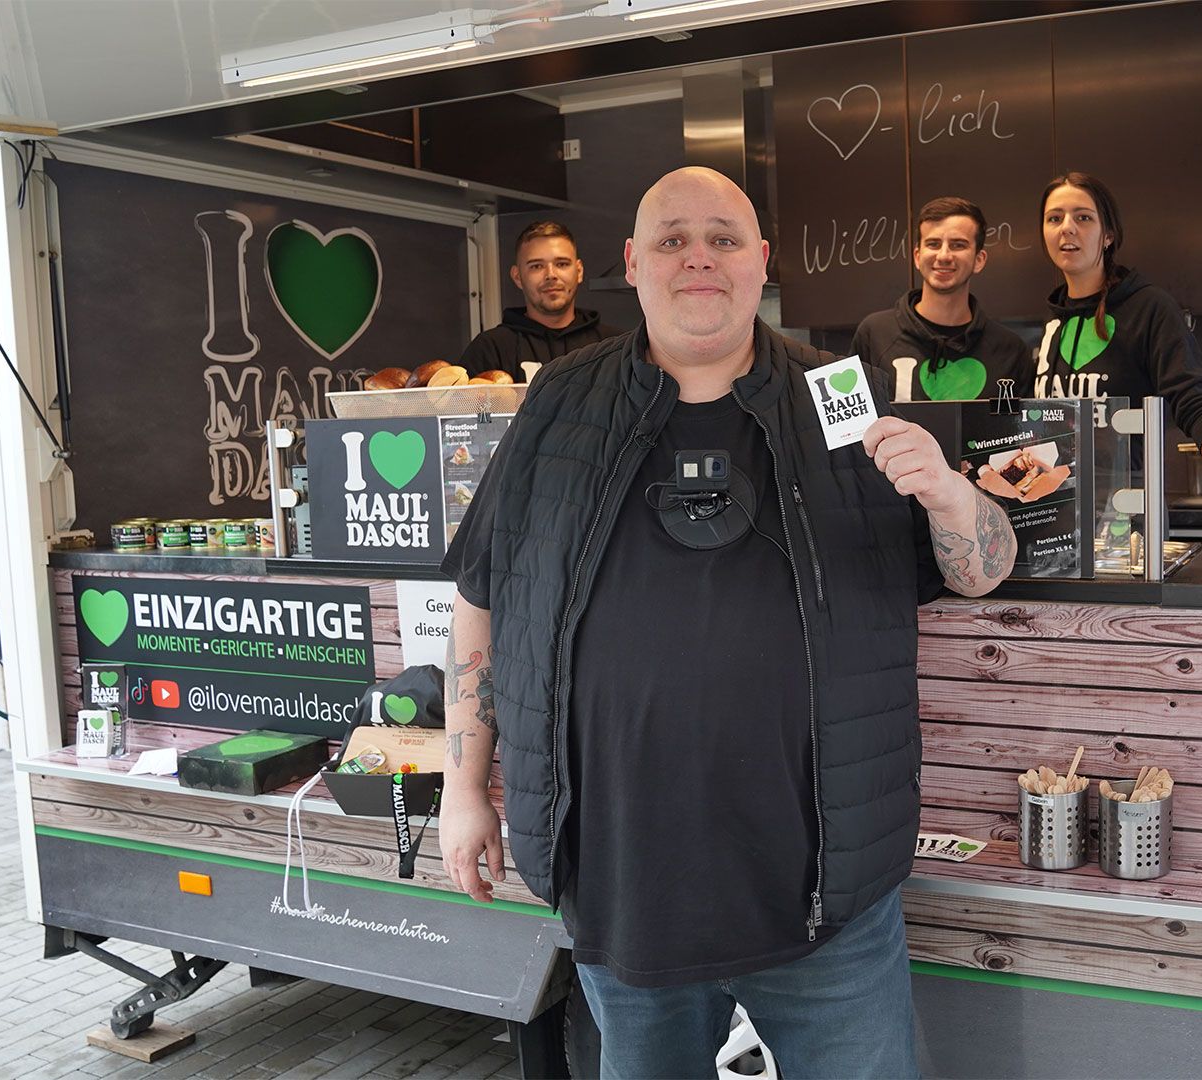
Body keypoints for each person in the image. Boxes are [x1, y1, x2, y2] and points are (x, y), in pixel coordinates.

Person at [437, 166, 1015, 1079]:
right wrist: (463, 788)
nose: (698, 259)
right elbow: (480, 595)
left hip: (825, 893)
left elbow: (978, 571)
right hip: (624, 886)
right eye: (672, 240)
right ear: (631, 263)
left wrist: (949, 496)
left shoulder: (840, 395)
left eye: (723, 239)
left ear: (761, 263)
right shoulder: (558, 404)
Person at [1034, 171, 1202, 548]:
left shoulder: (1148, 308)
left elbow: (1194, 398)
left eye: (1083, 217)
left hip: (1127, 515)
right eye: (1054, 218)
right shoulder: (1053, 322)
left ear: (1108, 235)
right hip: (1057, 513)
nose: (1067, 228)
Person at [849, 196, 1035, 401]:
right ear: (918, 257)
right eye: (933, 244)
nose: (944, 255)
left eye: (958, 245)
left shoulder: (1010, 350)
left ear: (979, 260)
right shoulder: (874, 334)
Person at [459, 220, 621, 384]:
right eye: (536, 266)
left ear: (579, 271)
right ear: (517, 277)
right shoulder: (490, 349)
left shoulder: (616, 346)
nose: (551, 275)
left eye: (562, 264)